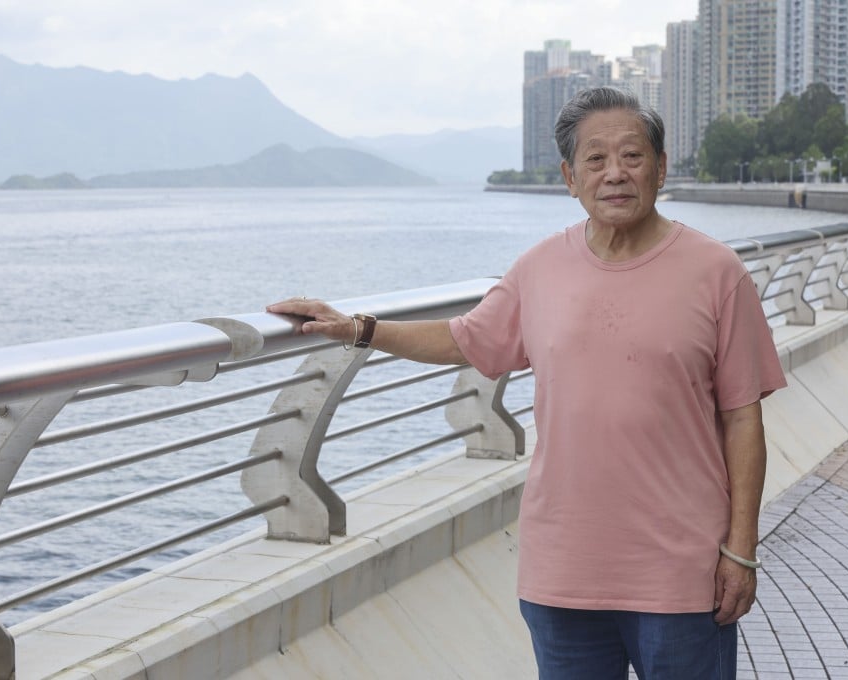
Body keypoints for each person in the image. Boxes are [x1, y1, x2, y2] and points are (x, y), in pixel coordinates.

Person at [267, 86, 786, 679]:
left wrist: (740, 550)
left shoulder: (717, 272)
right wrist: (359, 328)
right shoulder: (540, 268)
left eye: (632, 156)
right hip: (562, 571)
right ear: (569, 177)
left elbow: (743, 416)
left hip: (682, 570)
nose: (615, 173)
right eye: (595, 159)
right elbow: (465, 338)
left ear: (661, 167)